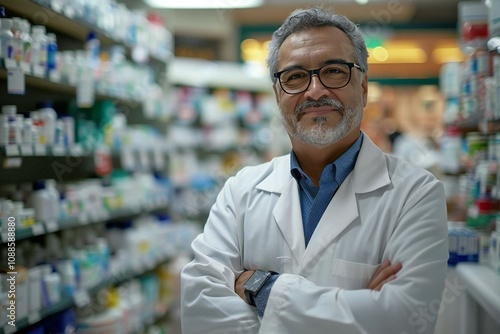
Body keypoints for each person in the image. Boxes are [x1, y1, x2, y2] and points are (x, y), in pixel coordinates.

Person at [181, 7, 448, 334]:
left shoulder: (416, 194)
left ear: (363, 87)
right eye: (295, 76)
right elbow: (199, 312)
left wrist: (264, 290)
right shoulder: (241, 192)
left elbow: (406, 320)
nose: (315, 91)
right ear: (278, 95)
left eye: (334, 71)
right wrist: (359, 308)